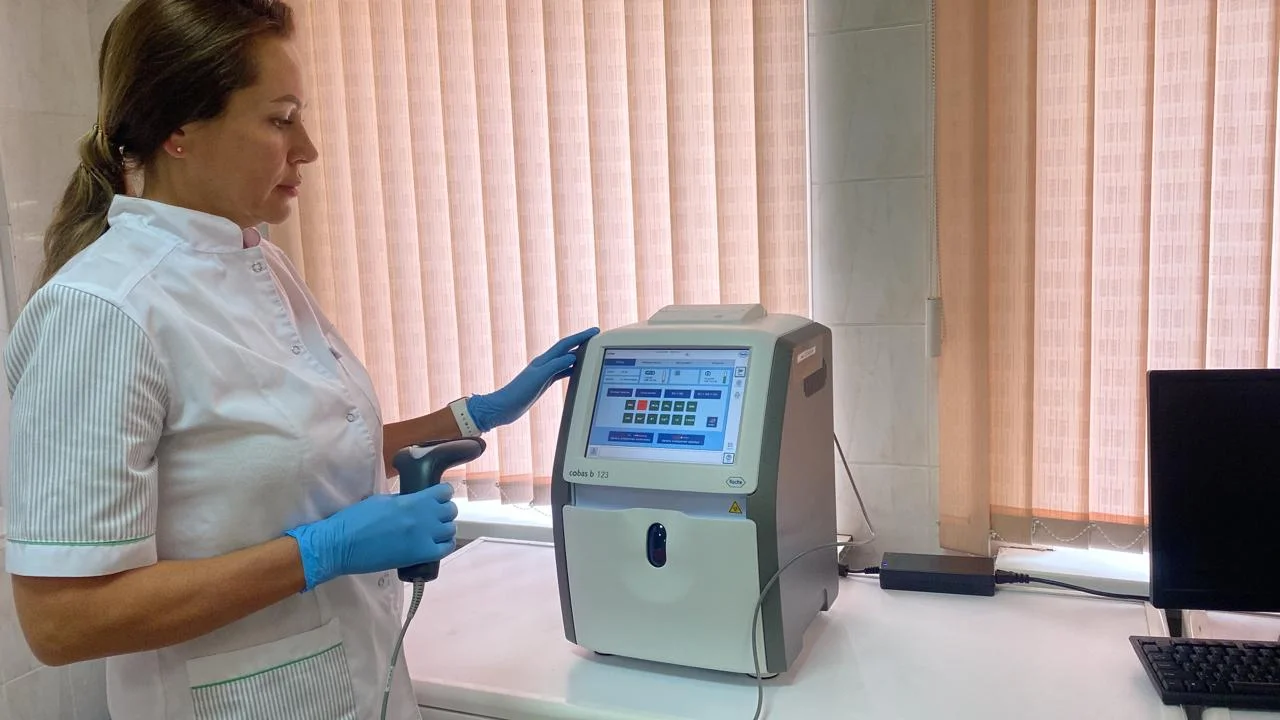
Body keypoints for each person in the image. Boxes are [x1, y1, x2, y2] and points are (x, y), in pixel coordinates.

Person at [2, 1, 597, 718]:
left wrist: (469, 416)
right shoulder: (102, 310)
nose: (308, 147)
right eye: (280, 119)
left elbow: (285, 462)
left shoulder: (261, 263)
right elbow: (63, 621)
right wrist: (318, 552)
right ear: (178, 131)